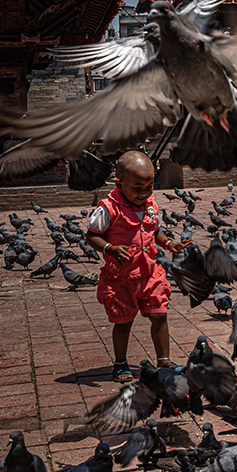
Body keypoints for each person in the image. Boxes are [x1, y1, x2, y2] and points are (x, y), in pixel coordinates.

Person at [86, 150, 187, 382]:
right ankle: (120, 364)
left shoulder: (151, 204)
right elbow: (91, 236)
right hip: (121, 277)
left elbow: (155, 230)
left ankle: (164, 360)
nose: (144, 193)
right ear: (120, 184)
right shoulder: (108, 209)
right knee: (124, 321)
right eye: (137, 188)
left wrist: (170, 243)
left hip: (149, 273)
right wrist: (109, 248)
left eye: (149, 186)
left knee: (160, 315)